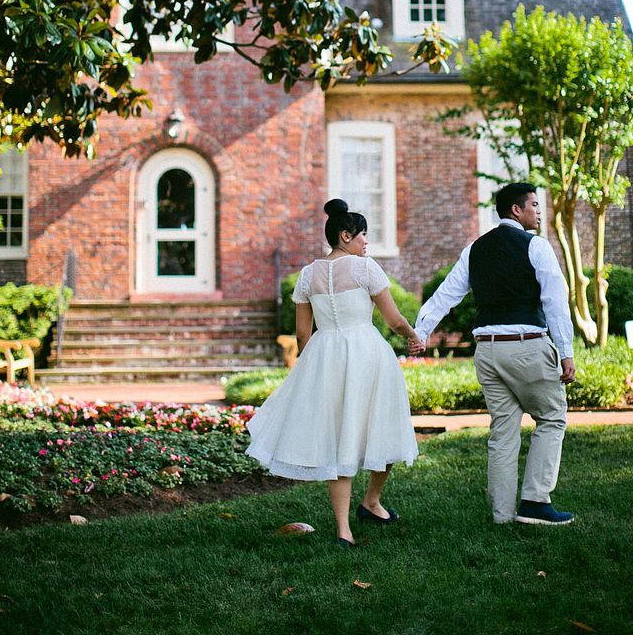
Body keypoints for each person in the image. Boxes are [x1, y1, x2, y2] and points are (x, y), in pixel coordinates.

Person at [246, 198, 420, 547]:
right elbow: (394, 319)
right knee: (381, 425)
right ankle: (370, 500)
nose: (366, 242)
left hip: (325, 355)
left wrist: (314, 365)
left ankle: (345, 529)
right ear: (345, 235)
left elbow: (301, 334)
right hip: (367, 353)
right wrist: (413, 337)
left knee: (338, 437)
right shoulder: (365, 268)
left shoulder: (307, 276)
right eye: (363, 235)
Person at [412, 182, 576, 526]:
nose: (538, 211)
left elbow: (446, 294)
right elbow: (555, 303)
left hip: (487, 353)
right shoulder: (537, 246)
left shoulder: (475, 249)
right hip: (527, 346)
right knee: (551, 417)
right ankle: (535, 501)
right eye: (533, 204)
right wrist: (566, 351)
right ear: (516, 210)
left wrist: (421, 331)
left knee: (503, 430)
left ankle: (502, 514)